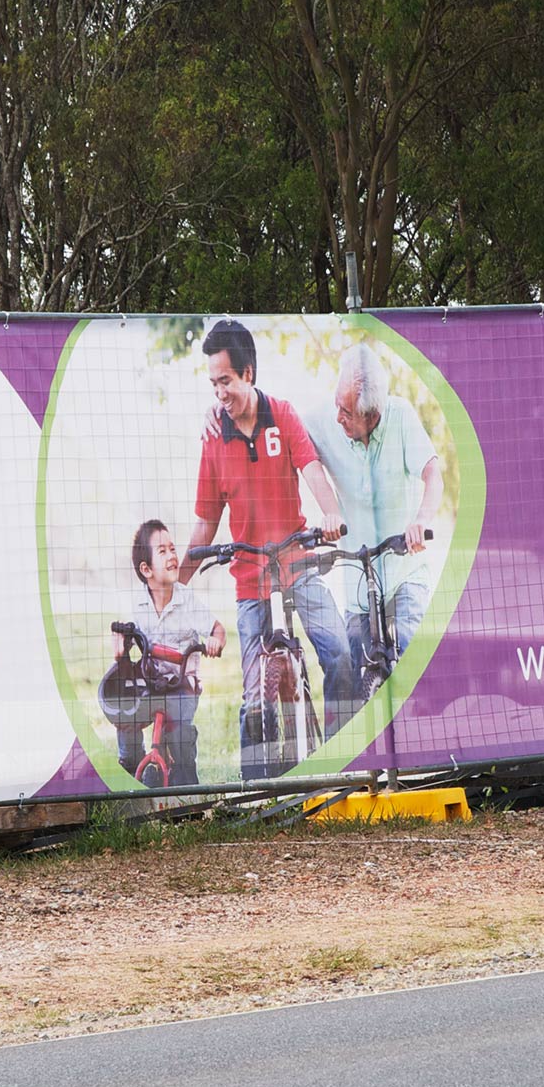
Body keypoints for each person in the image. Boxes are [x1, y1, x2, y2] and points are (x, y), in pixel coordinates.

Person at [179, 319, 353, 779]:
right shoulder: (214, 438)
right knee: (253, 687)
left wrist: (331, 515)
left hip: (297, 564)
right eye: (213, 383)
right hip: (250, 578)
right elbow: (205, 521)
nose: (219, 392)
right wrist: (179, 581)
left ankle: (348, 756)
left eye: (227, 381)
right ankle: (254, 785)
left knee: (338, 653)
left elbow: (313, 470)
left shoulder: (282, 414)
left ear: (249, 374)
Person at [305, 344, 443, 663]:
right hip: (358, 581)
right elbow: (283, 429)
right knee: (357, 673)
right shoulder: (325, 419)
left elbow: (433, 474)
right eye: (337, 404)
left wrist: (421, 520)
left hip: (404, 570)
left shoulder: (401, 415)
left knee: (410, 650)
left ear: (372, 415)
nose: (338, 416)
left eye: (348, 412)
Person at [113, 519, 224, 786]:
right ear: (146, 569)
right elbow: (123, 633)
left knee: (180, 735)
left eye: (173, 548)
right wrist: (120, 642)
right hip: (150, 683)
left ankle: (185, 781)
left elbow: (218, 629)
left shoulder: (187, 600)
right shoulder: (138, 604)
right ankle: (129, 768)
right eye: (162, 551)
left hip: (182, 684)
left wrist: (214, 641)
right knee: (125, 718)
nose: (173, 556)